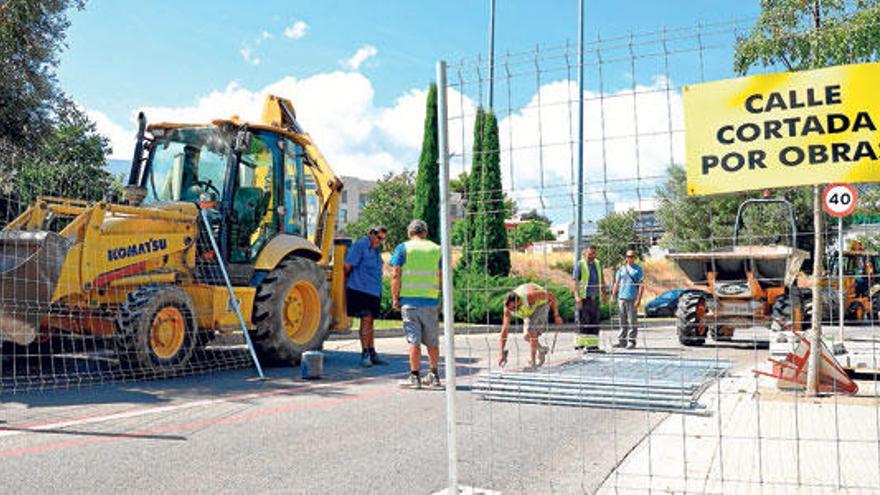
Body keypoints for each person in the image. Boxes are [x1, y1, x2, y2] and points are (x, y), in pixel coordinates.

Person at [390, 220, 443, 389]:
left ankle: (415, 377)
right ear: (425, 232)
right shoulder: (437, 249)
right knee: (432, 341)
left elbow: (396, 275)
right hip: (431, 302)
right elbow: (442, 276)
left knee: (414, 340)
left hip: (410, 303)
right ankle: (434, 376)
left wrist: (395, 298)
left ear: (409, 233)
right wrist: (438, 296)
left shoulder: (402, 248)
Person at [345, 225, 388, 367]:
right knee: (366, 320)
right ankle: (365, 354)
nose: (379, 241)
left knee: (370, 322)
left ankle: (372, 352)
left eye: (382, 239)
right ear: (371, 233)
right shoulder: (361, 245)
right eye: (378, 237)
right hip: (360, 290)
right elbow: (347, 266)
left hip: (373, 291)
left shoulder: (376, 250)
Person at [498, 283, 563, 369]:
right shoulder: (508, 309)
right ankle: (541, 350)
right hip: (528, 311)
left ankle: (533, 363)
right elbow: (504, 329)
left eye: (514, 308)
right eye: (510, 309)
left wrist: (556, 315)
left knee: (531, 331)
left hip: (541, 305)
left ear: (519, 301)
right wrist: (501, 352)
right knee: (526, 336)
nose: (512, 311)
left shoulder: (530, 296)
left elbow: (551, 296)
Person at [572, 245, 606, 351]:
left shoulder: (598, 264)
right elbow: (574, 281)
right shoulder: (580, 264)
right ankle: (580, 343)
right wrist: (577, 296)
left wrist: (604, 294)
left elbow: (602, 281)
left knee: (594, 321)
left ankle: (593, 345)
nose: (592, 256)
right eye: (590, 254)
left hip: (595, 298)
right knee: (582, 320)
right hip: (583, 297)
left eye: (593, 254)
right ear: (585, 254)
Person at [611, 249, 645, 349]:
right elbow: (616, 283)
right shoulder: (621, 269)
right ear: (626, 257)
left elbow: (641, 285)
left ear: (635, 258)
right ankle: (622, 341)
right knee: (622, 321)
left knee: (632, 321)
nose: (630, 258)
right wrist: (613, 296)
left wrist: (638, 300)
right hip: (621, 298)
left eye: (632, 256)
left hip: (632, 298)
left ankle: (632, 341)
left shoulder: (638, 269)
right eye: (628, 256)